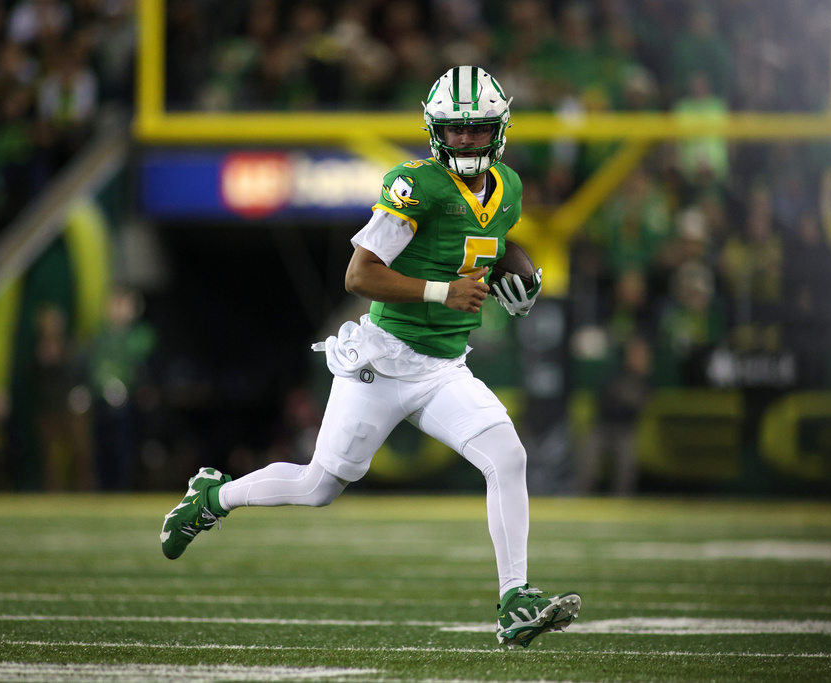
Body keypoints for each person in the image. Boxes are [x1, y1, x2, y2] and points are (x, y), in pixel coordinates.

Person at [159, 66, 581, 649]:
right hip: (381, 362)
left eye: (476, 129)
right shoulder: (417, 184)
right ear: (435, 132)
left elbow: (499, 241)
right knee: (318, 487)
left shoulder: (507, 185)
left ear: (498, 130)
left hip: (442, 368)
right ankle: (212, 496)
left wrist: (524, 272)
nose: (463, 141)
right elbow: (360, 273)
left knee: (508, 457)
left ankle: (515, 600)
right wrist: (442, 292)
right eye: (453, 131)